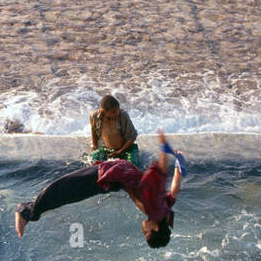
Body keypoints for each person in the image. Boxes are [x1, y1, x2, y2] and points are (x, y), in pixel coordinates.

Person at [15, 130, 185, 248]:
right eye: (146, 233)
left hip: (116, 181)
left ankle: (30, 211)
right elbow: (161, 175)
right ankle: (27, 212)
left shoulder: (164, 211)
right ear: (154, 228)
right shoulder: (155, 208)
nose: (143, 230)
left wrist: (178, 163)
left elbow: (175, 188)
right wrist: (164, 149)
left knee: (70, 193)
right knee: (65, 188)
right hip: (117, 174)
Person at [89, 95, 142, 167]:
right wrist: (95, 145)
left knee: (131, 166)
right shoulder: (95, 116)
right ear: (104, 111)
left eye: (118, 110)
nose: (117, 113)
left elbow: (132, 137)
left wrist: (119, 152)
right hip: (108, 149)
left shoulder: (123, 115)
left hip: (127, 149)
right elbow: (93, 130)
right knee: (92, 161)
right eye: (114, 112)